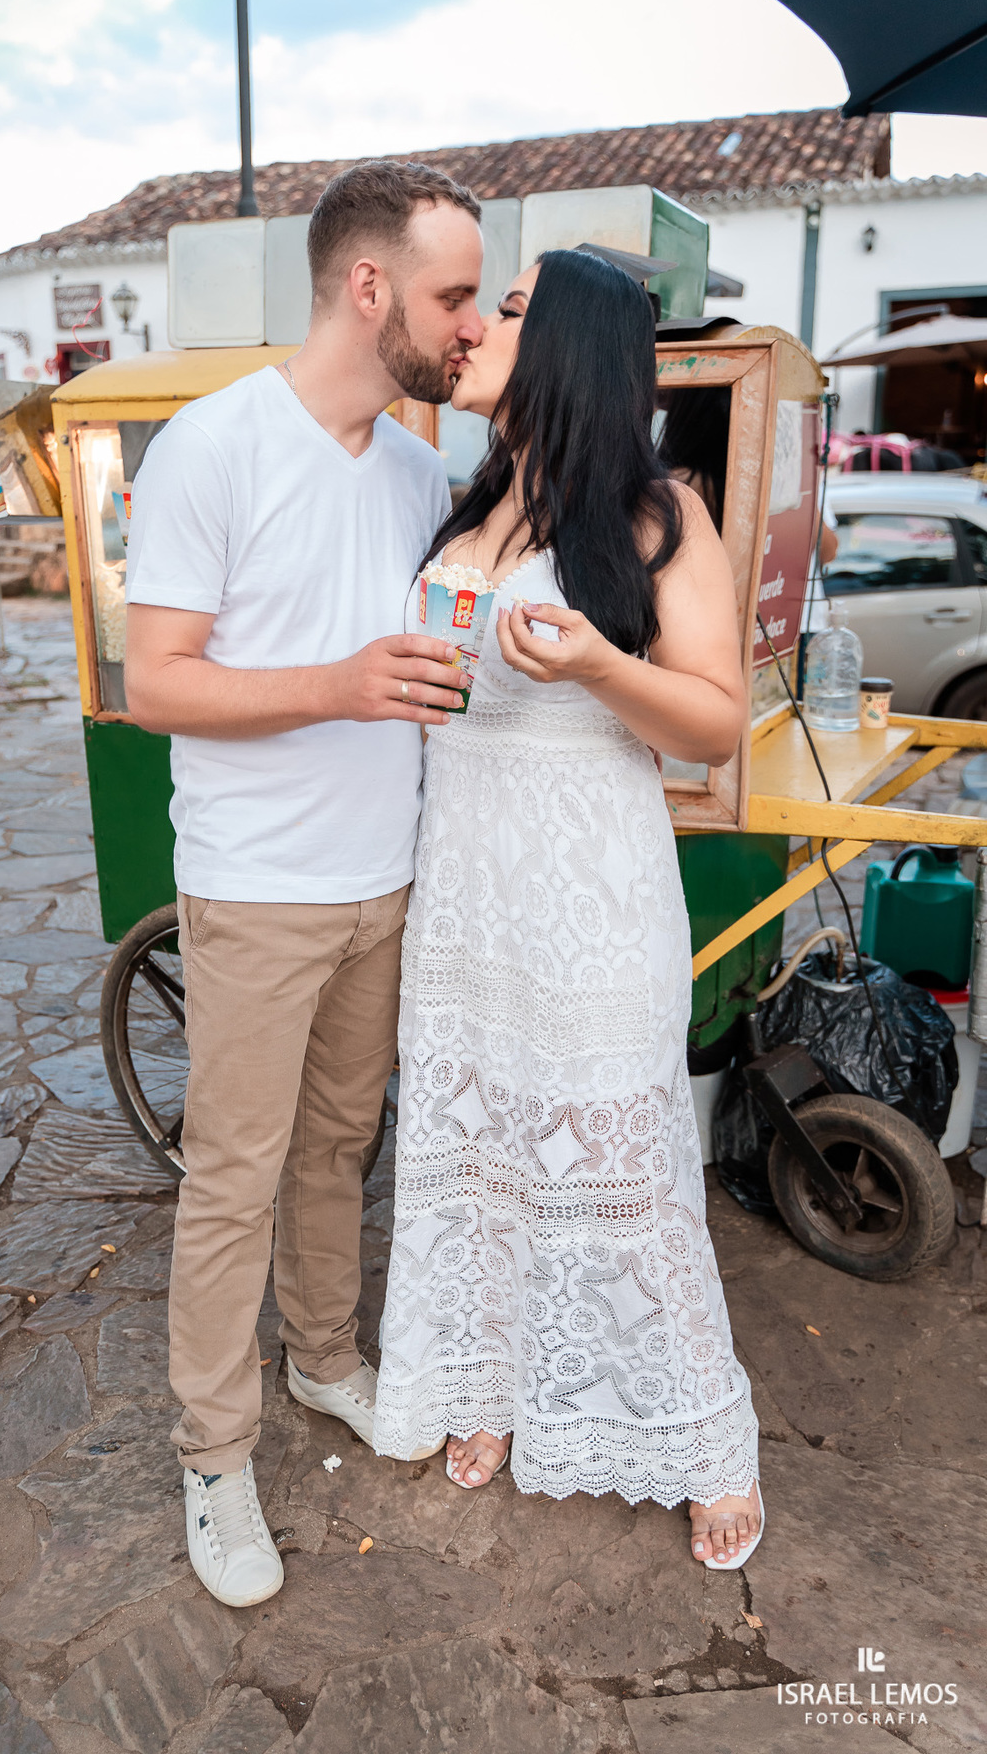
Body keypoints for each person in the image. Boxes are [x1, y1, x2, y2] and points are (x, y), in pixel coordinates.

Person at [123, 160, 485, 1609]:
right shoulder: (210, 448)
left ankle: (324, 1358)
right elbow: (154, 682)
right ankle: (214, 1454)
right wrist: (339, 685)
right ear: (370, 286)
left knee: (340, 1149)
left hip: (382, 881)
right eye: (455, 295)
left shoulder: (419, 471)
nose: (468, 326)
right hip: (255, 887)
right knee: (235, 1177)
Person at [371, 249, 765, 1570]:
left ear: (577, 349)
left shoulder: (661, 518)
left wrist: (600, 661)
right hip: (470, 887)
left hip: (592, 891)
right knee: (479, 1162)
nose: (481, 324)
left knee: (620, 1173)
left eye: (516, 308)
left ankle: (707, 1441)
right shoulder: (466, 504)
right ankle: (484, 1388)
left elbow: (713, 726)